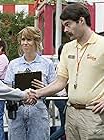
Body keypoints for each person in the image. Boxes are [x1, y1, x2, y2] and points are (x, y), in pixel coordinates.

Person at [30, 3, 104, 140]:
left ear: (81, 21)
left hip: (94, 115)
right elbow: (60, 82)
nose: (65, 30)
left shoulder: (102, 45)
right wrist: (37, 93)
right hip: (71, 114)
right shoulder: (67, 48)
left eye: (68, 24)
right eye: (64, 25)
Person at [4, 26, 56, 140]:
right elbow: (7, 87)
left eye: (29, 39)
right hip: (17, 110)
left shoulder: (47, 64)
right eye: (23, 40)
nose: (25, 43)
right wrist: (18, 93)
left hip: (39, 110)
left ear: (36, 41)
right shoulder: (13, 64)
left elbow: (56, 89)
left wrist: (44, 89)